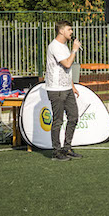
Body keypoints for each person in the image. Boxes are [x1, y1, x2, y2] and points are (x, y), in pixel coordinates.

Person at [45, 20, 82, 161]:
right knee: (58, 121)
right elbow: (67, 63)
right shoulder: (54, 46)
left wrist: (72, 85)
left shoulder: (65, 46)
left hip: (67, 88)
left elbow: (67, 69)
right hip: (56, 89)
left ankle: (67, 148)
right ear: (61, 31)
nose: (71, 32)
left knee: (73, 117)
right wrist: (74, 50)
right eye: (69, 29)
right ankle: (56, 151)